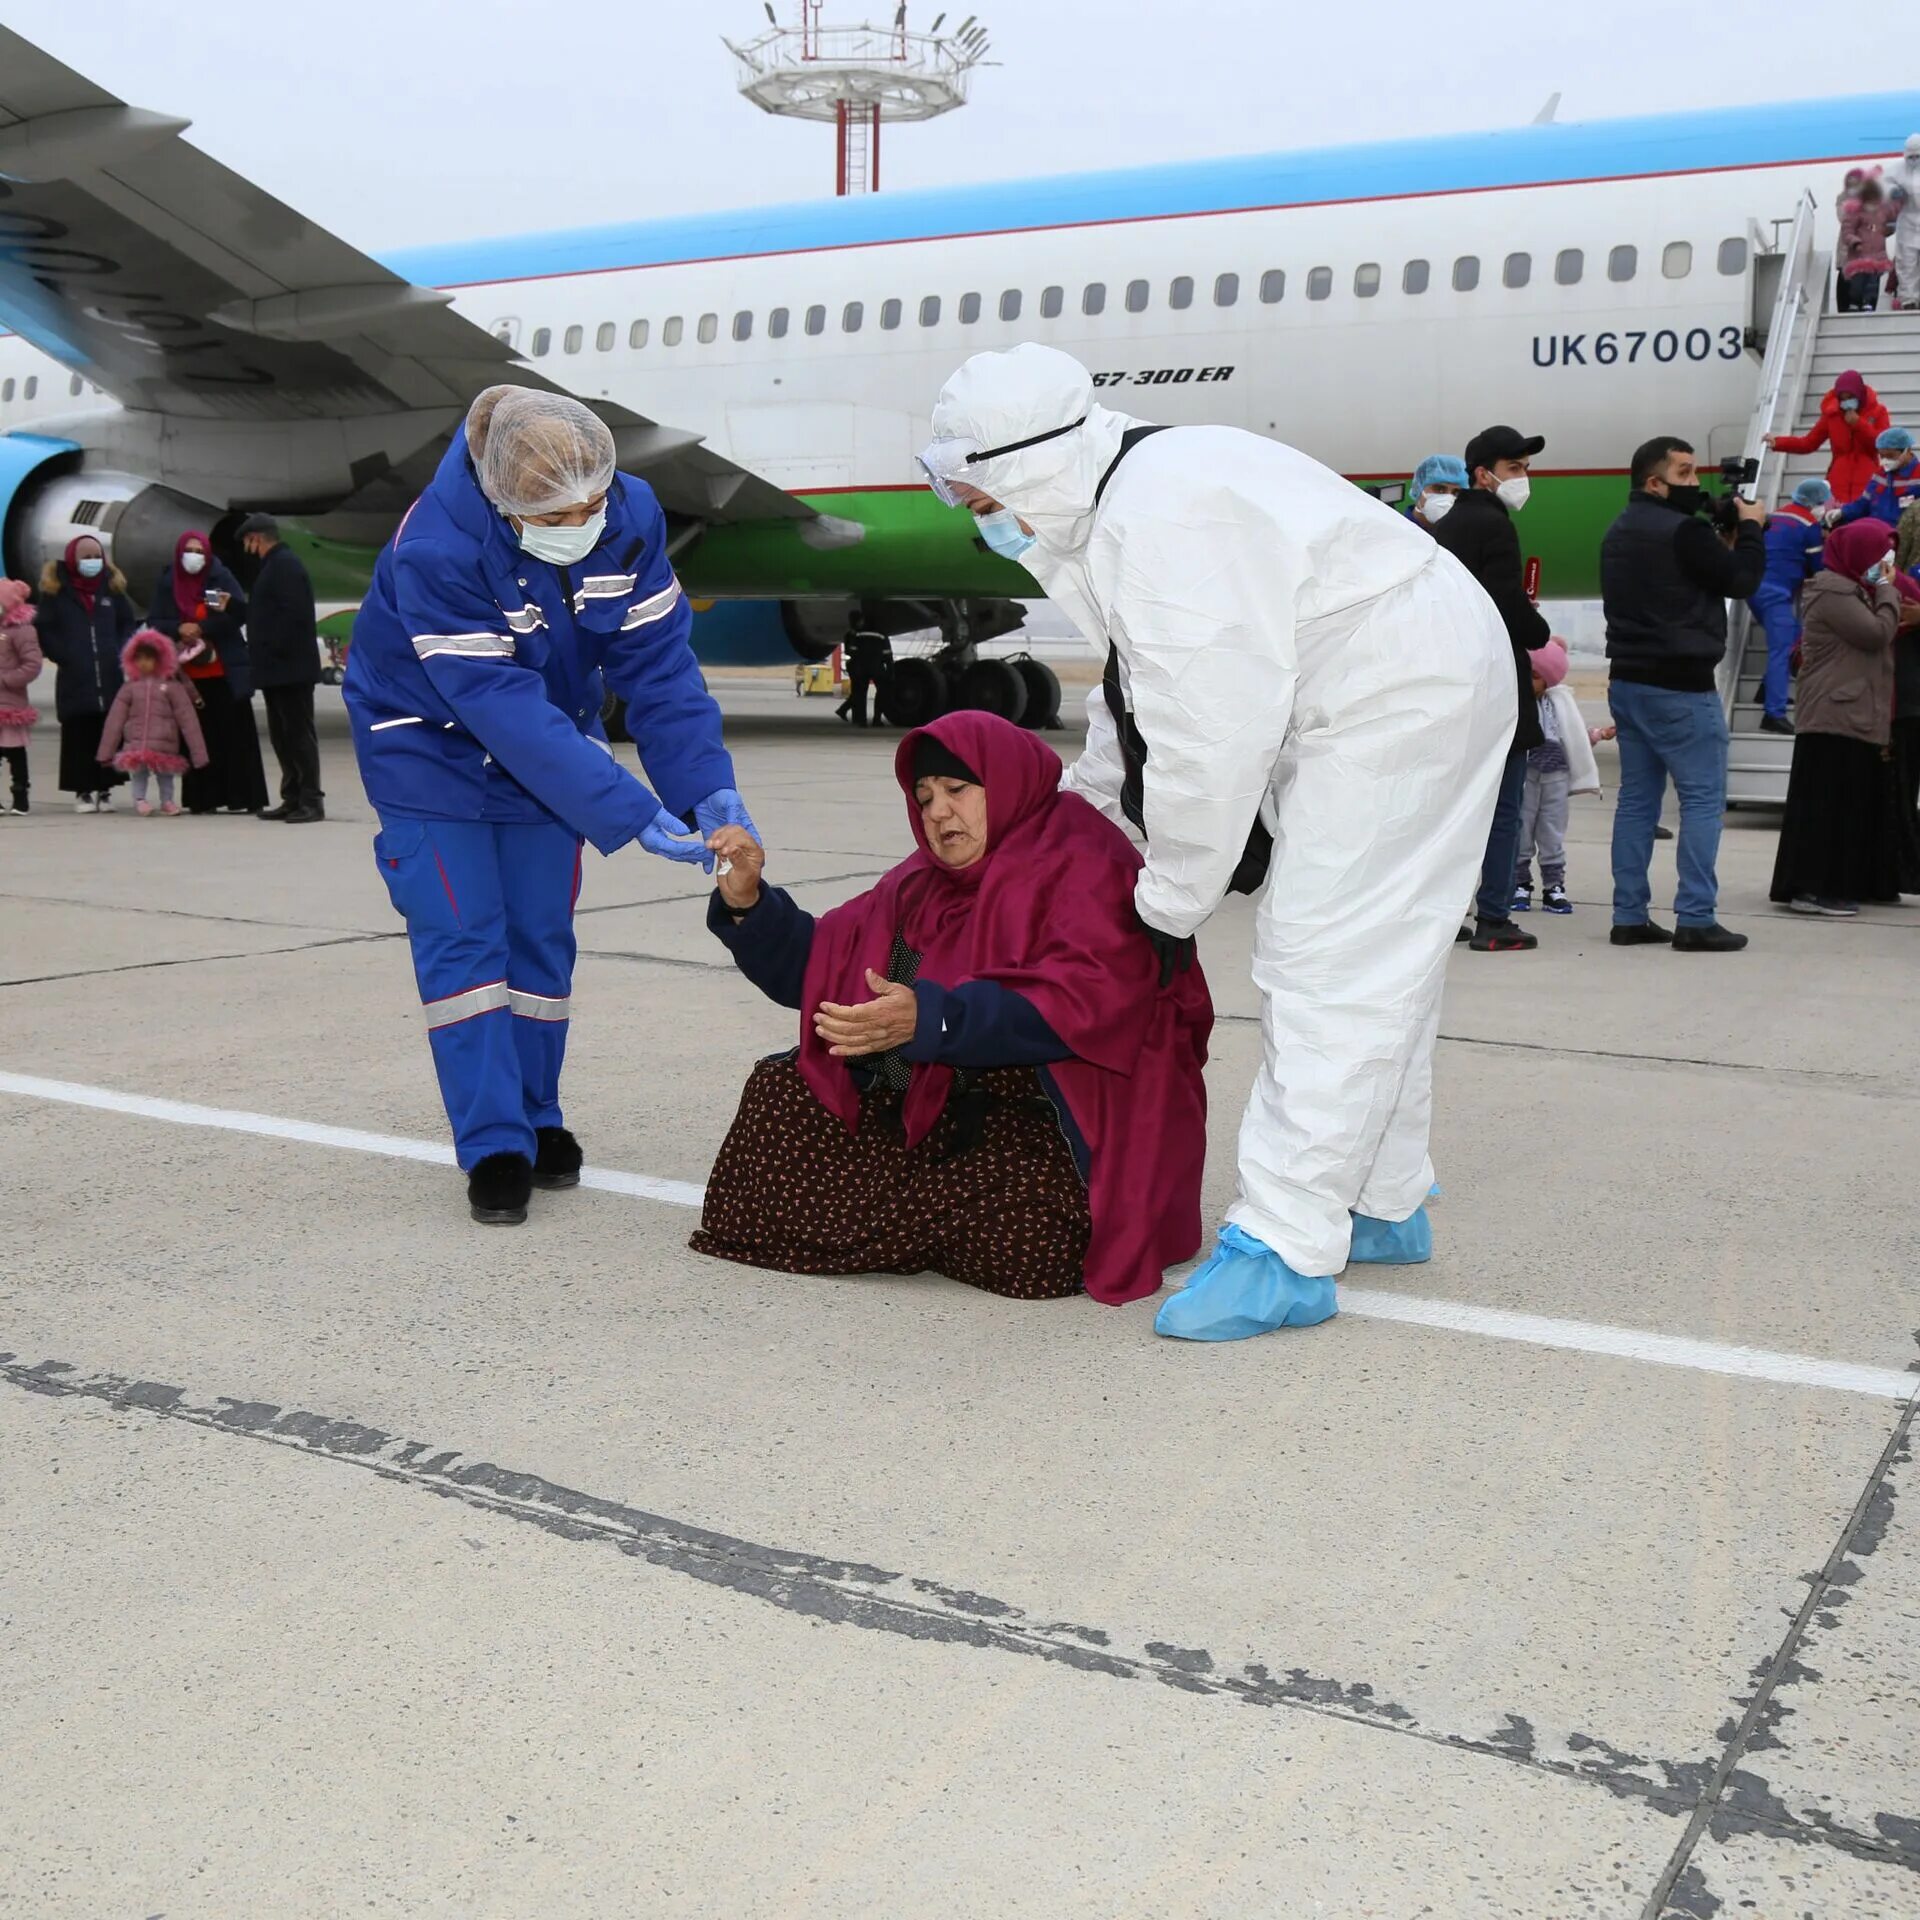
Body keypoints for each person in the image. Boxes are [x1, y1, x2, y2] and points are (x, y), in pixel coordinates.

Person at [917, 344, 1512, 1342]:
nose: (983, 521)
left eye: (981, 499)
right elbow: (1135, 700)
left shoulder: (1162, 521)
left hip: (1398, 696)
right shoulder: (1122, 498)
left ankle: (1286, 1244)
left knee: (1326, 958)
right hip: (1397, 670)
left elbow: (1207, 741)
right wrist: (1071, 823)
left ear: (1030, 470)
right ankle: (1381, 1196)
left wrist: (1164, 906)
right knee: (1382, 959)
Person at [345, 384, 755, 1226]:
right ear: (502, 493)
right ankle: (493, 1142)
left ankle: (539, 1116)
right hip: (430, 751)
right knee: (465, 941)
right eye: (559, 510)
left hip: (549, 743)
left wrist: (704, 789)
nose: (584, 520)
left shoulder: (629, 511)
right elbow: (498, 703)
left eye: (593, 502)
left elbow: (660, 669)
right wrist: (631, 811)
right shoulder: (437, 546)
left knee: (540, 936)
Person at [694, 712, 1213, 1302]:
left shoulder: (1086, 861)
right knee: (779, 1098)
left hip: (1051, 1110)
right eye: (924, 798)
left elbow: (1081, 1001)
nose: (937, 812)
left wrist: (935, 1019)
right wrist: (751, 906)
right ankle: (918, 1218)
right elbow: (824, 969)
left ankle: (893, 1217)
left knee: (1029, 1248)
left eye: (957, 790)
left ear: (1006, 781)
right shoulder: (922, 880)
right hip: (940, 1106)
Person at [1601, 436, 1767, 951]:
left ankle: (1628, 915)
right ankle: (1696, 916)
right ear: (1655, 482)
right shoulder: (1683, 533)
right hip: (1681, 686)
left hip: (1627, 680)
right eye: (1686, 473)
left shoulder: (1618, 531)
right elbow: (1741, 580)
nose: (1696, 483)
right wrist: (1753, 527)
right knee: (1701, 801)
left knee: (1636, 804)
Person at [1430, 424, 1555, 953]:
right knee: (1505, 807)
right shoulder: (1493, 525)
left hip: (1454, 681)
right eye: (1514, 468)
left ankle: (1444, 913)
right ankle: (1496, 917)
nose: (1523, 478)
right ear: (1484, 474)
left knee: (1453, 809)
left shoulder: (1447, 525)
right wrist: (1538, 632)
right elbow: (1505, 600)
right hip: (1496, 684)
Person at [1769, 522, 1920, 914]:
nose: (1884, 565)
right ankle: (1811, 888)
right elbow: (1876, 633)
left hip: (1852, 713)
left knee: (1846, 806)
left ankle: (1841, 882)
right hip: (1833, 714)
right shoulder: (1835, 592)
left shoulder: (1855, 590)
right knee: (1825, 806)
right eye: (1879, 557)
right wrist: (1888, 590)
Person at [146, 530, 268, 816]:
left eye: (200, 551)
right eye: (189, 550)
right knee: (198, 739)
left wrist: (204, 628)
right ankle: (204, 798)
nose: (194, 557)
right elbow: (155, 621)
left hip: (224, 672)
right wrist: (179, 627)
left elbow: (236, 613)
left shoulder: (218, 580)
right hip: (188, 679)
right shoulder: (169, 584)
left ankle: (245, 797)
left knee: (236, 736)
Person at [35, 535, 139, 813]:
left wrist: (120, 649)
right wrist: (64, 654)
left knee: (109, 731)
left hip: (109, 675)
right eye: (86, 557)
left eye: (96, 556)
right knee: (79, 733)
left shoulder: (112, 590)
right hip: (75, 676)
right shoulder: (56, 592)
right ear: (72, 559)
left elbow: (127, 622)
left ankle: (105, 790)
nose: (92, 562)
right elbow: (45, 628)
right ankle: (82, 791)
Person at [1510, 639, 1610, 915]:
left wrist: (1598, 735)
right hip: (1526, 777)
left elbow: (1574, 735)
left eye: (1535, 677)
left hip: (1556, 779)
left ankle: (1554, 887)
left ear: (1549, 680)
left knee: (1552, 834)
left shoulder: (1560, 702)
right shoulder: (1517, 701)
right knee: (1522, 831)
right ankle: (1520, 884)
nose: (1529, 682)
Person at [237, 513, 324, 822]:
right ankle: (292, 796)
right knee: (282, 736)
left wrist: (271, 651)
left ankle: (311, 800)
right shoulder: (273, 566)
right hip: (276, 671)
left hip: (290, 670)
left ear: (256, 539)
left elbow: (293, 617)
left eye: (248, 541)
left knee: (298, 735)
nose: (248, 547)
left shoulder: (284, 566)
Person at [1747, 477, 1831, 735]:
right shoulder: (1809, 524)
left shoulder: (1777, 516)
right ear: (1817, 502)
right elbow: (1817, 566)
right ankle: (1774, 713)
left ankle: (1767, 689)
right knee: (1783, 649)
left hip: (1755, 588)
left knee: (1794, 636)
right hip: (1776, 591)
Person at [95, 630, 209, 815]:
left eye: (149, 658)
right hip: (137, 741)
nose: (144, 663)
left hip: (164, 741)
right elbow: (115, 720)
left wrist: (199, 753)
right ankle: (140, 799)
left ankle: (168, 801)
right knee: (139, 773)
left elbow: (188, 720)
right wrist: (106, 752)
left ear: (161, 660)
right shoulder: (129, 687)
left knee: (165, 774)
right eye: (139, 659)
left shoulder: (172, 686)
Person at [1768, 370, 1890, 504]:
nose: (1846, 401)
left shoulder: (1878, 412)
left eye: (1850, 397)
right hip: (1838, 479)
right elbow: (1808, 443)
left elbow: (1884, 444)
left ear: (1859, 394)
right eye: (1842, 398)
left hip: (1868, 478)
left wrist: (1859, 424)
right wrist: (1778, 443)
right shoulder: (1832, 415)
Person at [0, 578, 42, 815]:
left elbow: (32, 664)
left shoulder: (22, 631)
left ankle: (20, 796)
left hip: (11, 703)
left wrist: (6, 680)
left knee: (15, 752)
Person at [1833, 427, 1920, 531]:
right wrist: (1842, 512)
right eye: (1882, 456)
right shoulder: (1880, 475)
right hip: (1877, 534)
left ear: (1907, 450)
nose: (1885, 460)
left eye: (1890, 456)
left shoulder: (1917, 476)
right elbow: (1863, 504)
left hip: (1905, 537)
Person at [1838, 176, 1893, 311]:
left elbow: (1887, 228)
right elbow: (1847, 230)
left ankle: (1869, 303)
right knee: (1858, 282)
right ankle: (1855, 302)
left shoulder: (1882, 212)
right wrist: (1855, 242)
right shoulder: (1855, 211)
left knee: (1873, 283)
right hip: (1859, 255)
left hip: (1877, 255)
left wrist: (1891, 228)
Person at [836, 622, 893, 728]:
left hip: (861, 667)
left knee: (861, 695)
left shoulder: (858, 634)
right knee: (881, 693)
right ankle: (877, 719)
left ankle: (862, 721)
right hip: (877, 667)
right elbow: (888, 654)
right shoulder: (881, 634)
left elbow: (851, 651)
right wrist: (891, 670)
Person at [1893, 137, 1920, 312]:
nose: (1914, 161)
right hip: (1907, 224)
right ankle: (1909, 300)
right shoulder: (1897, 171)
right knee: (1906, 264)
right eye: (1911, 157)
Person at [1835, 168, 1867, 311]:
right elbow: (1843, 218)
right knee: (1845, 276)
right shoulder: (1842, 198)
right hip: (1847, 244)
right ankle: (1844, 308)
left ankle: (1862, 305)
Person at [1406, 454, 1467, 527]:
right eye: (1440, 489)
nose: (1448, 498)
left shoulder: (1460, 533)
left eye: (1456, 493)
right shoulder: (1399, 532)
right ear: (1419, 489)